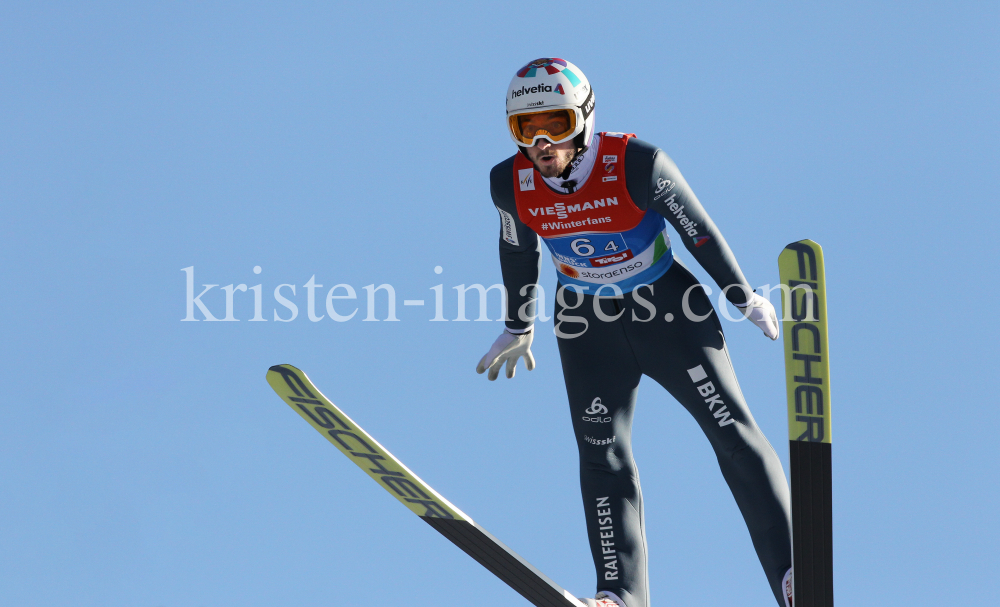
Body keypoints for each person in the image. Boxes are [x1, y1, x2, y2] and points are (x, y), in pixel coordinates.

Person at [476, 58, 795, 607]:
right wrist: (517, 323)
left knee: (731, 434)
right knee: (602, 455)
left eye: (555, 121)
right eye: (526, 128)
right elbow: (516, 248)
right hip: (585, 324)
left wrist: (740, 294)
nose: (543, 141)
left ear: (584, 117)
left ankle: (793, 575)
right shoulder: (509, 182)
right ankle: (620, 594)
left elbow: (699, 231)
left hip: (670, 313)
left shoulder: (636, 163)